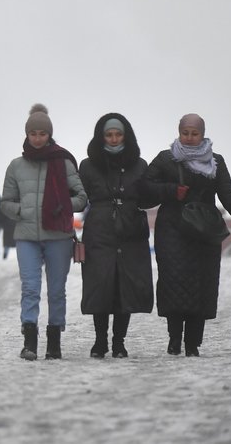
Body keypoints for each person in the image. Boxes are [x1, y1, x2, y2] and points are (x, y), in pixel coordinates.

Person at [142, 113, 231, 357]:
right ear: (179, 132)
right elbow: (145, 191)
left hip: (204, 231)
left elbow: (228, 193)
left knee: (202, 285)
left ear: (203, 134)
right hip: (172, 230)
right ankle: (174, 339)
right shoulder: (166, 159)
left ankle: (193, 343)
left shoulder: (216, 162)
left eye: (194, 133)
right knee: (173, 283)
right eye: (185, 133)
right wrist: (172, 191)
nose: (190, 138)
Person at [1, 104, 87, 361]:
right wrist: (25, 210)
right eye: (33, 133)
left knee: (56, 290)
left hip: (58, 236)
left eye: (42, 133)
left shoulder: (63, 162)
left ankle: (54, 343)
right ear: (27, 135)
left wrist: (61, 205)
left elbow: (81, 198)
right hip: (26, 236)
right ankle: (29, 342)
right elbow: (5, 202)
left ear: (49, 134)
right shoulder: (16, 166)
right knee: (30, 287)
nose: (38, 138)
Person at [77, 113, 154, 359]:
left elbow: (149, 195)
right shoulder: (88, 165)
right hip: (99, 231)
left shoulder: (140, 165)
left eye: (117, 134)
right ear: (101, 136)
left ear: (126, 135)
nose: (113, 139)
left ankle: (119, 342)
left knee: (125, 287)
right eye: (108, 134)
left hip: (130, 231)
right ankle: (100, 341)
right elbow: (80, 196)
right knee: (101, 285)